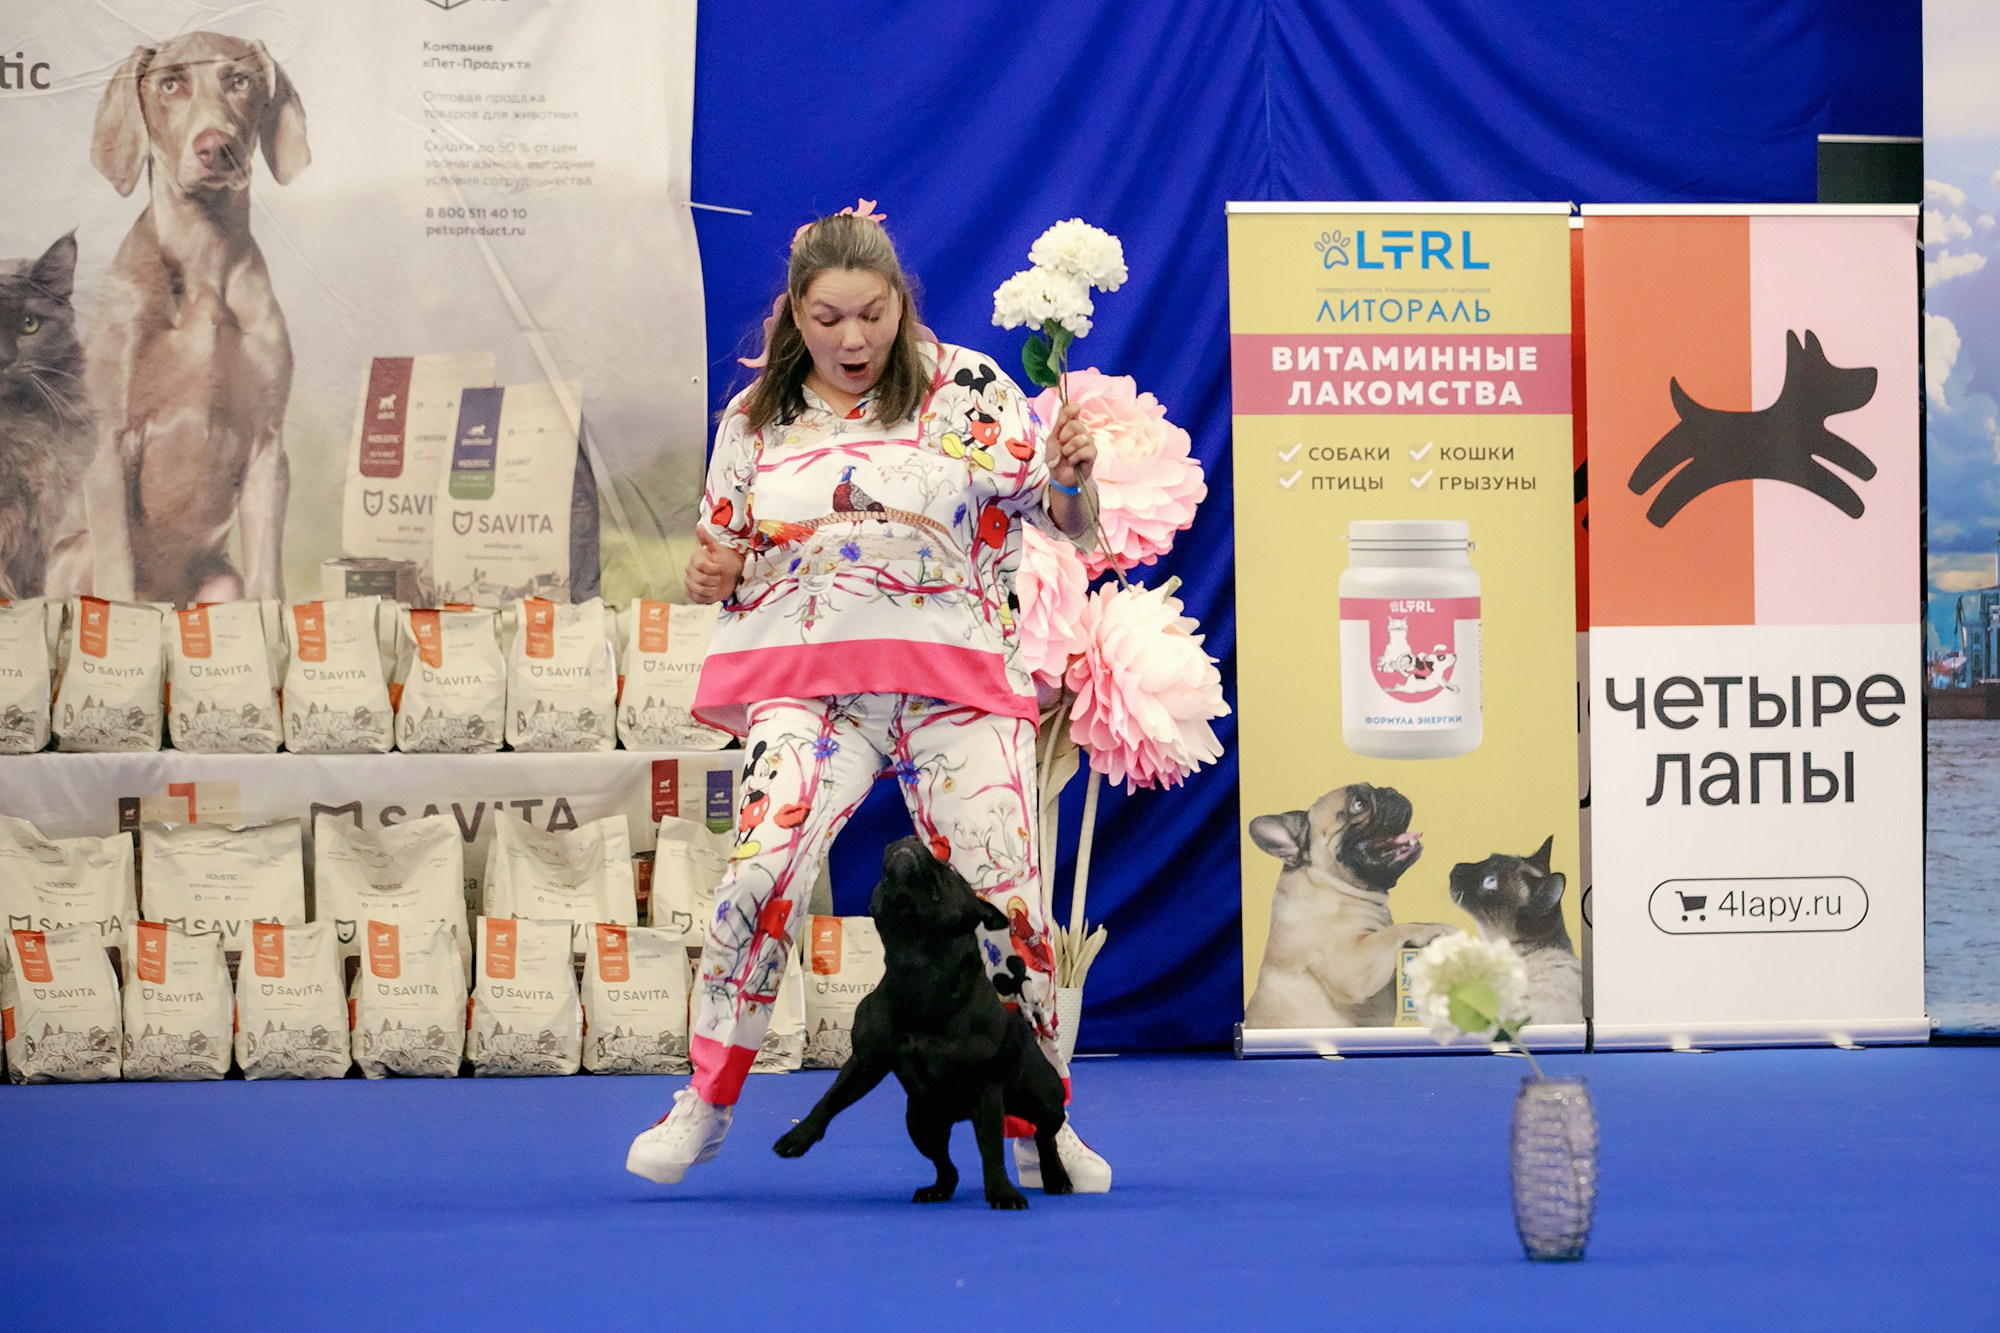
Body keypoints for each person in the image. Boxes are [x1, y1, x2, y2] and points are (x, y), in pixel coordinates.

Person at [625, 204, 1111, 1192]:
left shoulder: (964, 388)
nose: (852, 339)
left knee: (1008, 901)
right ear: (793, 315)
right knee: (755, 876)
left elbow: (1063, 521)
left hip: (950, 685)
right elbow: (721, 553)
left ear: (902, 304)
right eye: (828, 318)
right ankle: (706, 1102)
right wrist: (710, 576)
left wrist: (1072, 482)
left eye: (872, 315)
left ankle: (1036, 1120)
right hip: (812, 690)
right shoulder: (755, 417)